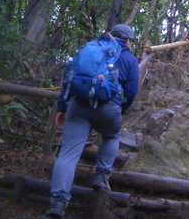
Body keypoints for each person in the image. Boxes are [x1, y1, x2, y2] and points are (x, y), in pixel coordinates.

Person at [45, 24, 139, 218]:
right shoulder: (129, 58)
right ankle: (101, 177)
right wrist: (120, 109)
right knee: (112, 136)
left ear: (110, 35)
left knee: (68, 154)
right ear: (128, 40)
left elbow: (69, 78)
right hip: (110, 107)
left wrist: (62, 107)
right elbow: (131, 92)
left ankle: (58, 204)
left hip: (78, 104)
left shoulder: (90, 48)